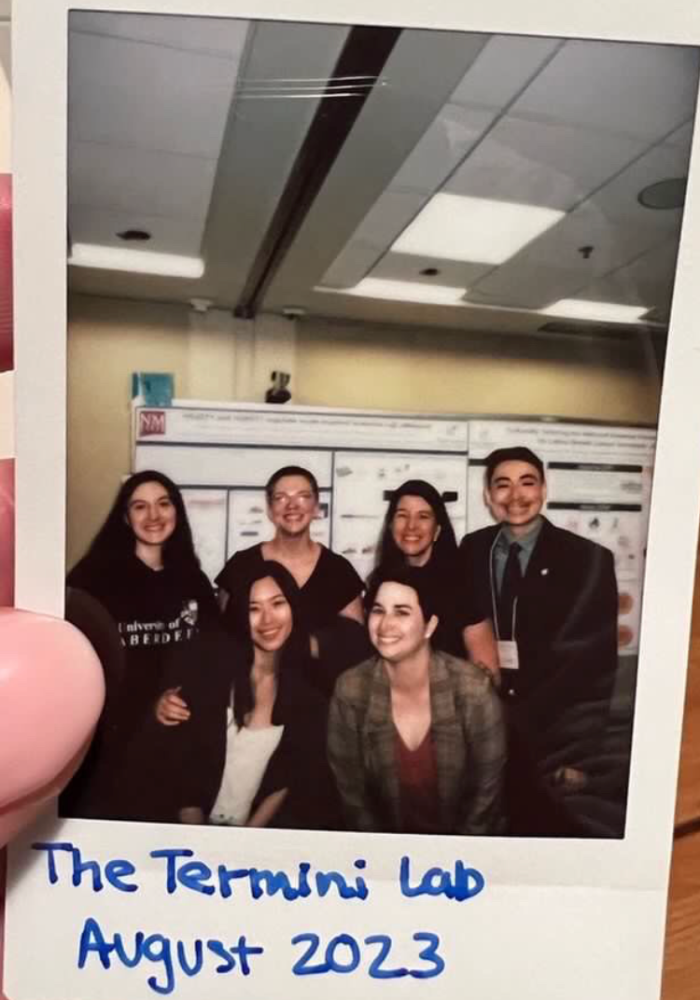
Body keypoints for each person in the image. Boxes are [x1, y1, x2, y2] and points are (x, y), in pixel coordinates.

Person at [459, 446, 619, 835]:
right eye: (503, 485)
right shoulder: (471, 550)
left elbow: (595, 665)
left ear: (544, 489)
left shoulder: (588, 558)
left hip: (555, 735)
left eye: (527, 483)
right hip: (485, 724)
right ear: (487, 496)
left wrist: (581, 757)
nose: (515, 496)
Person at [65, 470, 218, 818]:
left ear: (177, 512)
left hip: (177, 748)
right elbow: (75, 668)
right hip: (113, 751)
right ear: (124, 517)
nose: (154, 516)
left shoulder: (192, 579)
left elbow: (210, 654)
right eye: (140, 507)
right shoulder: (92, 579)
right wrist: (148, 704)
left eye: (164, 504)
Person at [155, 562, 342, 829]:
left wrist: (245, 842)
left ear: (293, 608)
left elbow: (284, 781)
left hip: (251, 837)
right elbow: (185, 772)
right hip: (188, 834)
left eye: (277, 604)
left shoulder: (309, 690)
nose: (267, 619)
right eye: (254, 608)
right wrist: (197, 843)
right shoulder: (213, 673)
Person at [327, 567, 506, 835]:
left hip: (464, 855)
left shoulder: (472, 690)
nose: (385, 624)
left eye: (401, 612)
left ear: (429, 625)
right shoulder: (351, 690)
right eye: (378, 610)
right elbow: (352, 798)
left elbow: (486, 796)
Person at [216, 465, 369, 679]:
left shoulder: (338, 571)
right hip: (247, 696)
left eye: (303, 497)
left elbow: (355, 646)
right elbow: (218, 636)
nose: (292, 505)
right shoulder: (241, 565)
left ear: (316, 507)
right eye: (281, 498)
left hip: (317, 701)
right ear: (270, 510)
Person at [368, 479, 497, 672]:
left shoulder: (464, 584)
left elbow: (488, 671)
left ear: (437, 530)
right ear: (391, 525)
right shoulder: (379, 582)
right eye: (402, 515)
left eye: (423, 516)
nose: (411, 526)